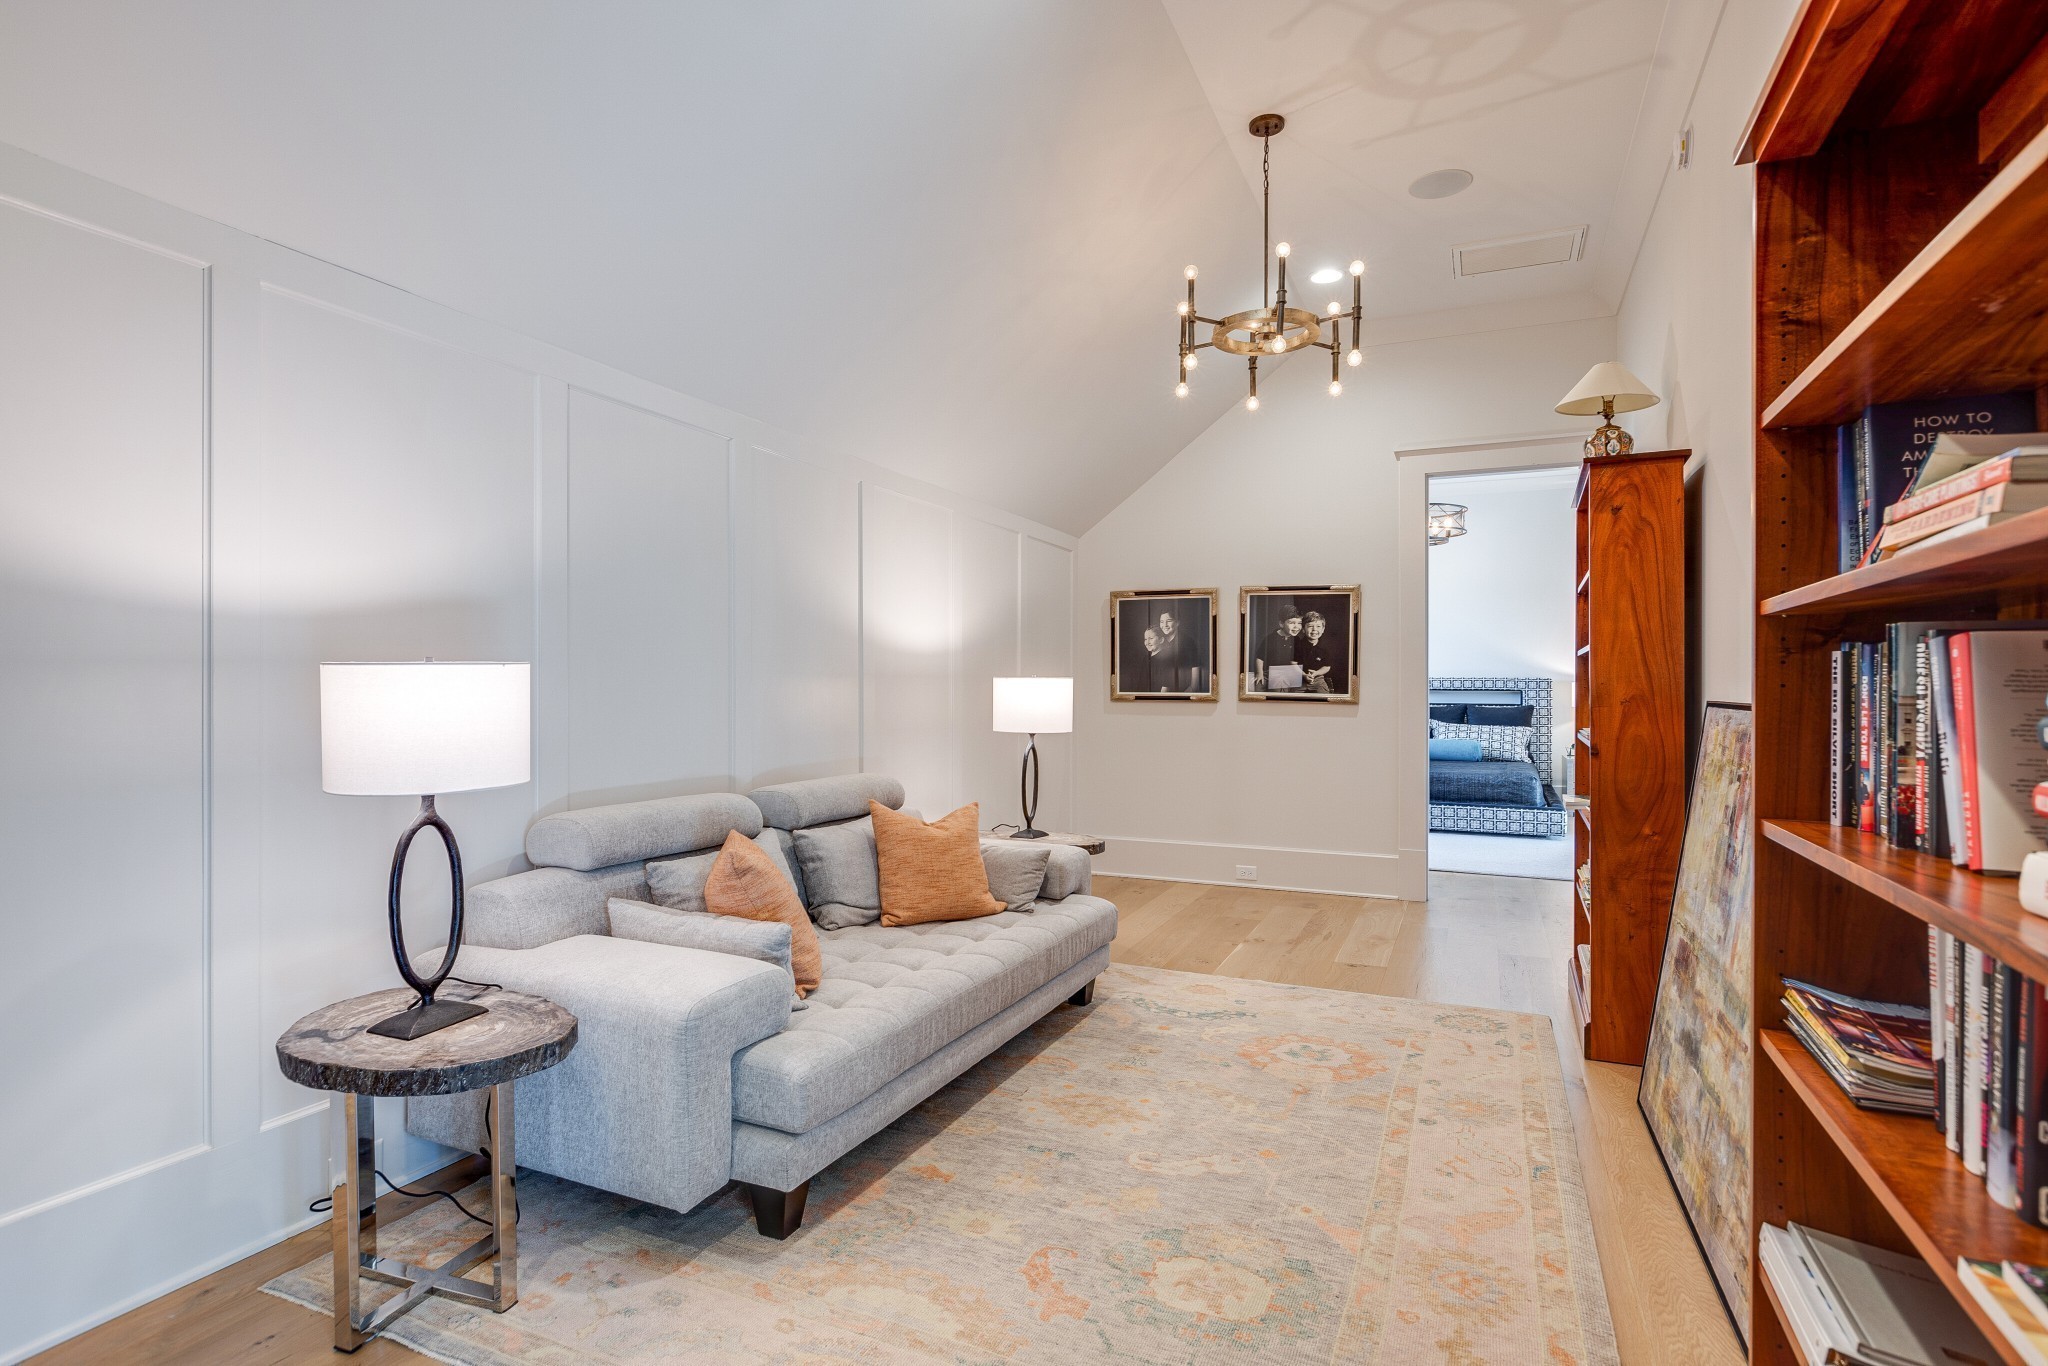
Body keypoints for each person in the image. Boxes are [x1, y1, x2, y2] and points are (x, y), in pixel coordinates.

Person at [1255, 602, 1302, 689]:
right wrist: (1259, 673)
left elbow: (1297, 662)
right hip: (1269, 672)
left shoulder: (1297, 640)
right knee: (1257, 686)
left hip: (1288, 674)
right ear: (1281, 623)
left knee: (1279, 687)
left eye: (1299, 623)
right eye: (1292, 623)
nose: (1296, 626)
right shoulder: (1271, 638)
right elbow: (1259, 658)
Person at [1297, 609, 1343, 694]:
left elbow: (1327, 666)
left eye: (1318, 626)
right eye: (1310, 626)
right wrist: (1304, 675)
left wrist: (1316, 673)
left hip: (1318, 679)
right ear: (1303, 629)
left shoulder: (1325, 648)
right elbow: (1294, 665)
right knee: (1291, 697)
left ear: (1323, 629)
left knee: (1324, 695)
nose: (1314, 629)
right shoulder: (1298, 645)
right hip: (1299, 679)